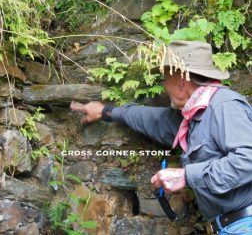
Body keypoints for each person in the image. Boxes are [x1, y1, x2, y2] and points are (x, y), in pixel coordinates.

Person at [70, 40, 252, 234]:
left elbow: (247, 159)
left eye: (165, 77)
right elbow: (150, 119)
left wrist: (186, 175)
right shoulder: (190, 117)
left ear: (181, 80)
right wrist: (105, 111)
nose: (164, 84)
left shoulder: (224, 106)